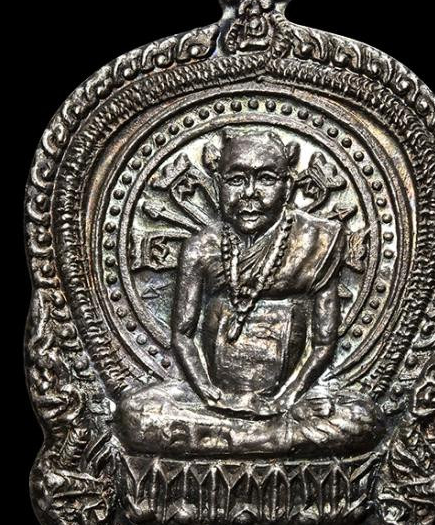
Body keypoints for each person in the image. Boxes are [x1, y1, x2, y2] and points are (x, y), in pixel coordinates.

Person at [119, 127, 383, 455]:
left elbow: (324, 342)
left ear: (288, 187)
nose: (250, 193)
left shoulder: (318, 242)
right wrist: (208, 393)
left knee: (363, 418)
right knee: (135, 413)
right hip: (211, 402)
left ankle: (235, 439)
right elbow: (183, 335)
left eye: (266, 179)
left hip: (288, 400)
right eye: (236, 180)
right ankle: (266, 439)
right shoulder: (201, 248)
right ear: (218, 186)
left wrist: (288, 397)